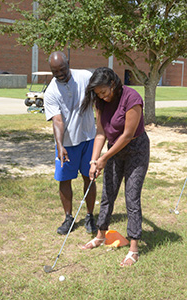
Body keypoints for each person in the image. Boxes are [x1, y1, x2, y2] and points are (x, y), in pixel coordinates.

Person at [80, 67, 150, 266]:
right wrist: (94, 161)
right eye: (97, 94)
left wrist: (105, 158)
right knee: (107, 193)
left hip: (136, 149)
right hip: (114, 149)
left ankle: (134, 249)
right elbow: (101, 133)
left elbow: (127, 135)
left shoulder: (132, 98)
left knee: (132, 196)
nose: (101, 97)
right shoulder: (100, 102)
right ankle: (101, 235)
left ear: (113, 84)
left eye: (103, 92)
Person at [44, 51, 97, 235]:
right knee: (64, 179)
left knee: (89, 177)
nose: (59, 74)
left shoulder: (85, 76)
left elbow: (98, 98)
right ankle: (68, 218)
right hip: (67, 143)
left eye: (62, 70)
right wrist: (60, 145)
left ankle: (90, 216)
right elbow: (57, 120)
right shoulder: (51, 91)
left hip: (89, 137)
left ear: (69, 64)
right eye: (54, 71)